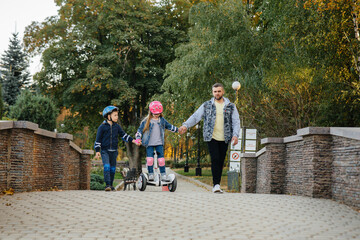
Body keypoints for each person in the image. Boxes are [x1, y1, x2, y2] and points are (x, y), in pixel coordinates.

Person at [179, 83, 240, 193]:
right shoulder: (207, 105)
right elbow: (196, 116)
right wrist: (185, 125)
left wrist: (235, 135)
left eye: (219, 91)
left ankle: (217, 183)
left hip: (225, 138)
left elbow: (236, 121)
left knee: (220, 161)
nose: (217, 93)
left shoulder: (231, 106)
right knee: (215, 158)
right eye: (215, 91)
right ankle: (216, 185)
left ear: (223, 92)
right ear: (212, 93)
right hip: (211, 137)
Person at [94, 106, 140, 191]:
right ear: (108, 116)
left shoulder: (117, 127)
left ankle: (111, 185)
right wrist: (97, 151)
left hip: (114, 151)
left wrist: (133, 141)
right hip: (105, 151)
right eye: (115, 115)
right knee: (107, 167)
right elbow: (98, 140)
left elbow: (124, 135)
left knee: (112, 169)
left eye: (117, 115)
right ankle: (107, 185)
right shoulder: (102, 127)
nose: (117, 117)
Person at [135, 101, 179, 181]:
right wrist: (138, 138)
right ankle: (151, 174)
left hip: (159, 143)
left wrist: (178, 130)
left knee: (161, 160)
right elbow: (140, 130)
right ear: (151, 112)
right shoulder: (146, 121)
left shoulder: (162, 120)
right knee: (150, 160)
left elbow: (169, 126)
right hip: (149, 144)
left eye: (158, 114)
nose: (156, 115)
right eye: (155, 114)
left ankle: (163, 175)